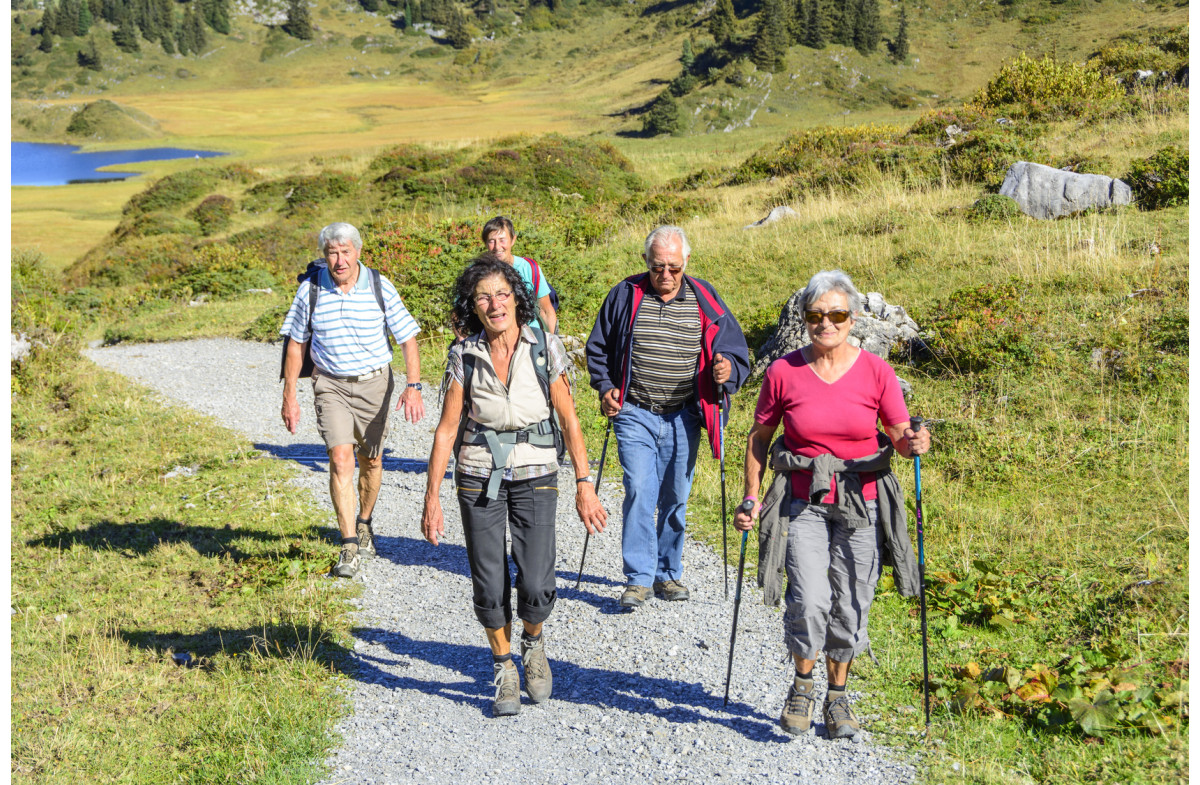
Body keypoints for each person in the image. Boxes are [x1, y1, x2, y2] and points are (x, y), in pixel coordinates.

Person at [732, 269, 930, 740]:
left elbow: (900, 436)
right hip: (802, 501)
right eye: (817, 315)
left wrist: (915, 442)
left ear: (853, 317)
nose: (827, 323)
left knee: (853, 601)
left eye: (837, 314)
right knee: (809, 598)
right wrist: (751, 496)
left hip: (861, 502)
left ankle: (837, 698)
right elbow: (760, 439)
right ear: (804, 319)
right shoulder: (784, 372)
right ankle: (802, 685)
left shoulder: (877, 371)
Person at [421, 255, 607, 717]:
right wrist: (432, 497)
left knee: (538, 578)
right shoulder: (464, 353)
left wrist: (585, 483)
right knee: (488, 580)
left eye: (502, 294)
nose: (494, 304)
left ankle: (534, 642)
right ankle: (503, 665)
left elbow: (568, 417)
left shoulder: (544, 345)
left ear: (517, 299)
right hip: (478, 472)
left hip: (537, 469)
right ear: (473, 306)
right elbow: (446, 430)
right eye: (483, 297)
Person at [585, 225, 750, 609]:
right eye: (658, 266)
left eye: (674, 268)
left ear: (686, 262)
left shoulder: (706, 299)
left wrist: (728, 372)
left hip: (685, 414)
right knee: (641, 489)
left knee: (676, 494)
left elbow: (735, 351)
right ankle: (639, 579)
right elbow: (599, 347)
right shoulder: (625, 294)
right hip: (635, 410)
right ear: (646, 261)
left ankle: (668, 572)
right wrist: (606, 386)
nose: (666, 275)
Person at [280, 222, 426, 579]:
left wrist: (414, 386)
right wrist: (289, 396)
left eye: (345, 251)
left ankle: (364, 521)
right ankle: (348, 544)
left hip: (375, 383)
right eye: (332, 252)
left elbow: (407, 338)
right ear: (324, 256)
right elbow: (296, 344)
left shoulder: (379, 285)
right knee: (340, 458)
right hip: (330, 385)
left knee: (370, 459)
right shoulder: (310, 290)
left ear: (358, 252)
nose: (339, 259)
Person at [481, 215, 557, 333]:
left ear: (513, 240)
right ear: (485, 243)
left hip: (530, 337)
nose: (497, 247)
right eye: (491, 241)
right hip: (490, 337)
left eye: (502, 240)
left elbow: (545, 311)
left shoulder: (529, 268)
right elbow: (458, 312)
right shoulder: (477, 273)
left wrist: (551, 343)